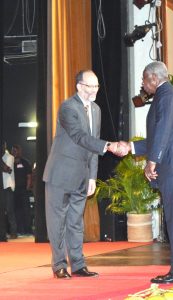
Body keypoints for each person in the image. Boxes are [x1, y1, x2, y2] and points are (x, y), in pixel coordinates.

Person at [119, 61, 173, 284]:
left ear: (154, 79)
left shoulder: (165, 95)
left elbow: (164, 129)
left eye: (144, 81)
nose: (143, 85)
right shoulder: (169, 94)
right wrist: (131, 147)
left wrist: (152, 161)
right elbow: (162, 135)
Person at [43, 70, 119, 279]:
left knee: (76, 222)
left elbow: (93, 146)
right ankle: (59, 265)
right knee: (57, 223)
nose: (94, 90)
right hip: (60, 175)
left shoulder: (96, 109)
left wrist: (92, 176)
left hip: (82, 177)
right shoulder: (68, 107)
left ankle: (78, 265)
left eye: (96, 87)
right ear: (79, 86)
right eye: (89, 86)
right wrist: (110, 146)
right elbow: (80, 137)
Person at [11, 144, 33, 235]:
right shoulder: (10, 162)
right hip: (14, 190)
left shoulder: (25, 162)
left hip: (24, 190)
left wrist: (27, 187)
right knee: (16, 210)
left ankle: (28, 230)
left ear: (20, 151)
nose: (14, 152)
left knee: (26, 210)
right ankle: (19, 230)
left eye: (16, 151)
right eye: (13, 151)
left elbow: (29, 176)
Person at [2, 141, 17, 239]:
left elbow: (7, 169)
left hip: (7, 186)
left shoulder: (10, 157)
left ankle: (13, 232)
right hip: (2, 187)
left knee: (9, 210)